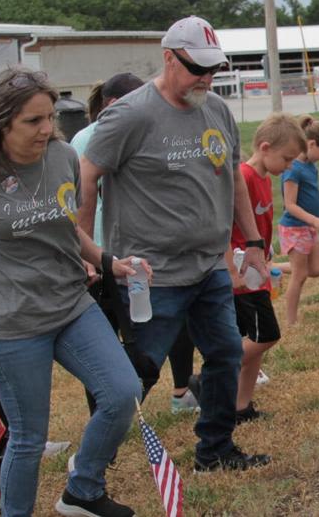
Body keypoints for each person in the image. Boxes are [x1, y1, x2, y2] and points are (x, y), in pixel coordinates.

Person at [0, 67, 147, 517]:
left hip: (71, 305)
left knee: (122, 392)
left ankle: (83, 490)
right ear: (0, 124)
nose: (48, 130)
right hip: (11, 324)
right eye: (33, 121)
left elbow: (65, 225)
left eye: (50, 117)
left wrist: (105, 261)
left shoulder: (62, 156)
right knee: (28, 437)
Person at [80, 15, 271, 473]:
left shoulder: (217, 110)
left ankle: (216, 449)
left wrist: (257, 242)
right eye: (196, 69)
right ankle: (89, 466)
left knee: (225, 353)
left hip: (208, 267)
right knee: (137, 375)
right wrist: (85, 252)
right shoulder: (130, 114)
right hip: (152, 274)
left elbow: (235, 182)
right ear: (168, 58)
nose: (206, 79)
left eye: (213, 70)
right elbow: (87, 177)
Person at [70, 74, 199, 414]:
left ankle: (181, 391)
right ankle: (106, 415)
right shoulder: (87, 140)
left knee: (171, 320)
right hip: (103, 255)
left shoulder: (150, 128)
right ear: (114, 106)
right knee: (108, 342)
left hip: (140, 253)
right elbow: (79, 195)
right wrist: (86, 255)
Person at [228, 113, 306, 423]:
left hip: (258, 269)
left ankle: (241, 407)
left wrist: (265, 245)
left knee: (256, 350)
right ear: (264, 147)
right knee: (266, 336)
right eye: (286, 159)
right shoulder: (244, 175)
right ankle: (211, 378)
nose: (288, 167)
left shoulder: (261, 178)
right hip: (244, 274)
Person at [278, 115, 319, 325]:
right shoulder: (293, 169)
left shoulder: (311, 165)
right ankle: (291, 321)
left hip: (308, 227)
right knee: (299, 275)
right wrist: (315, 220)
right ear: (311, 144)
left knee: (317, 270)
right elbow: (290, 205)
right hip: (294, 228)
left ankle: (275, 266)